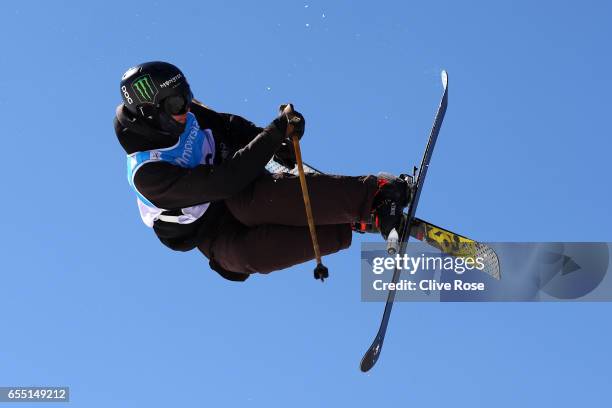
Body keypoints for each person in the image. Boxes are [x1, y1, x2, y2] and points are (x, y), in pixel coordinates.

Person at [114, 61, 411, 281]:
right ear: (150, 113)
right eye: (178, 102)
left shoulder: (186, 114)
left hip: (241, 191)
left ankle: (378, 195)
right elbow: (224, 182)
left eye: (187, 95)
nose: (186, 107)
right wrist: (272, 136)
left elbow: (228, 125)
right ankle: (346, 223)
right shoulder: (148, 172)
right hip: (210, 226)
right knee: (245, 257)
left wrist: (275, 138)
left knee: (253, 203)